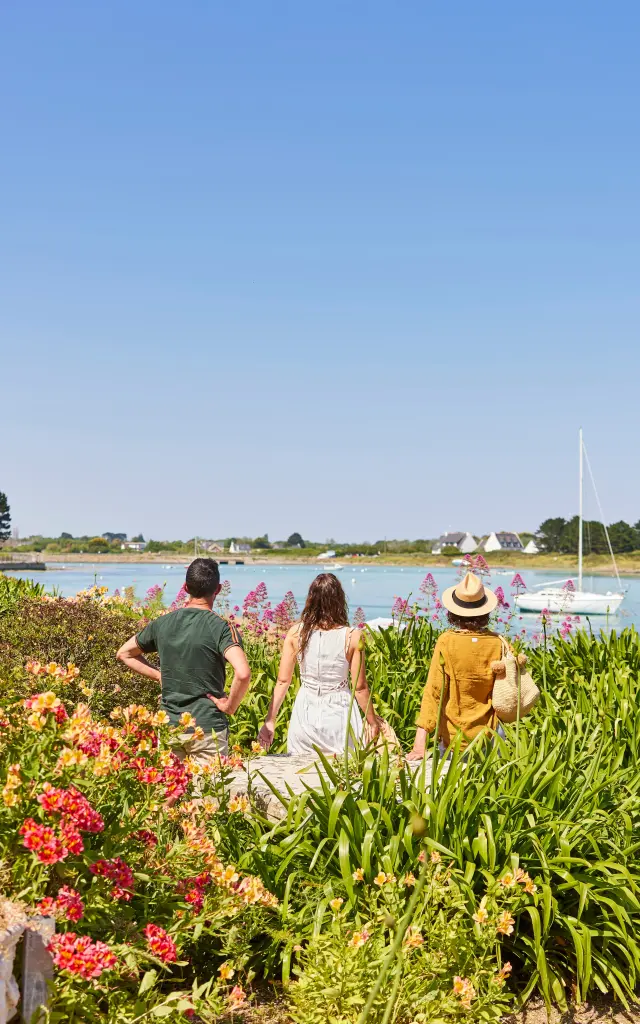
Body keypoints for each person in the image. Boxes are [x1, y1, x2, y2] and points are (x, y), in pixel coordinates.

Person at [116, 558, 251, 764]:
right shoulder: (222, 628)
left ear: (185, 587)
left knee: (170, 785)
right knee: (209, 786)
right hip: (207, 728)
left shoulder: (162, 623)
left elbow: (124, 653)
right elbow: (243, 673)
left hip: (170, 726)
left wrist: (158, 675)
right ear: (218, 589)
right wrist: (230, 707)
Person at [257, 573, 379, 754]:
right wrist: (372, 722)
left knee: (300, 769)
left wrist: (270, 721)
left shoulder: (296, 633)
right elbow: (360, 688)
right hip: (340, 716)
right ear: (340, 600)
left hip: (305, 714)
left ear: (311, 600)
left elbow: (283, 682)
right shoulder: (353, 636)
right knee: (341, 769)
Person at [407, 572, 502, 760]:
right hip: (490, 736)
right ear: (485, 611)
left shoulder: (447, 641)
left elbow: (434, 691)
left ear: (454, 612)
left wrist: (419, 744)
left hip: (454, 738)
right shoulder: (498, 643)